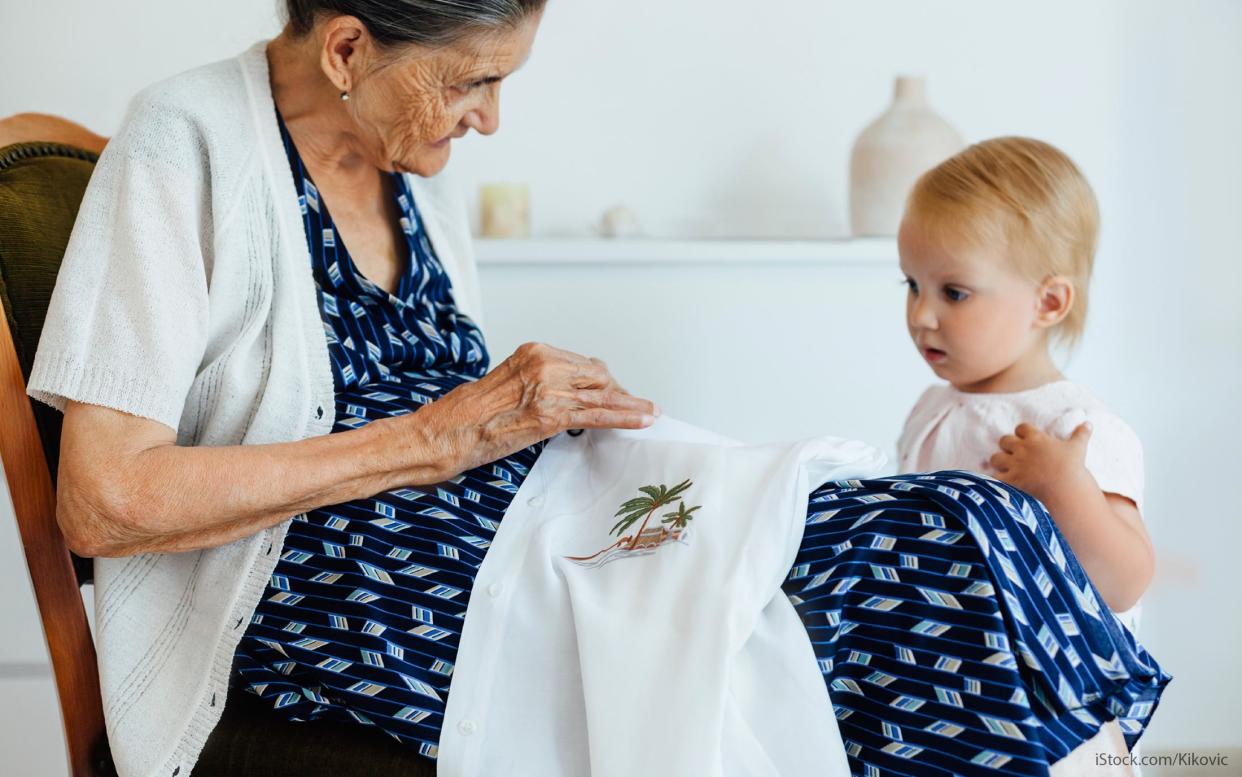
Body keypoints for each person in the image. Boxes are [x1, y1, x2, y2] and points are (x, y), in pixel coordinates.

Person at [23, 3, 1166, 775]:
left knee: (963, 525)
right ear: (346, 49)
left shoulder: (412, 166)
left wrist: (537, 421)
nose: (492, 117)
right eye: (474, 80)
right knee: (905, 575)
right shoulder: (183, 146)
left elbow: (450, 410)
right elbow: (105, 500)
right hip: (336, 609)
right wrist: (442, 436)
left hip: (525, 523)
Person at [896, 137, 1153, 628]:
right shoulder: (933, 408)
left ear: (1049, 303)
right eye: (911, 285)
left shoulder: (1074, 427)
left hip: (1050, 690)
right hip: (954, 668)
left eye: (954, 292)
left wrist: (1066, 487)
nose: (921, 314)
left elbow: (1126, 583)